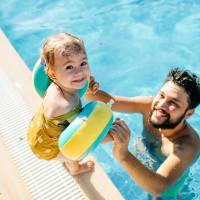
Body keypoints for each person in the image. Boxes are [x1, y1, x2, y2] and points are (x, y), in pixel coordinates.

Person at [86, 68, 200, 197]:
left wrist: (122, 154)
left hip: (169, 186)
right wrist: (89, 90)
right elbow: (111, 102)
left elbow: (158, 187)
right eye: (161, 95)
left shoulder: (187, 145)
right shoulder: (148, 106)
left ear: (189, 114)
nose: (161, 105)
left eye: (172, 103)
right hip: (144, 159)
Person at [27, 32, 109, 175]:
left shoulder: (59, 84)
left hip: (37, 130)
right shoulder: (65, 106)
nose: (79, 72)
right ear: (52, 74)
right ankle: (75, 169)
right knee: (72, 153)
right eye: (69, 67)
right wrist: (110, 132)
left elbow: (81, 82)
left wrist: (89, 84)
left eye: (83, 63)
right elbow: (83, 136)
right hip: (48, 147)